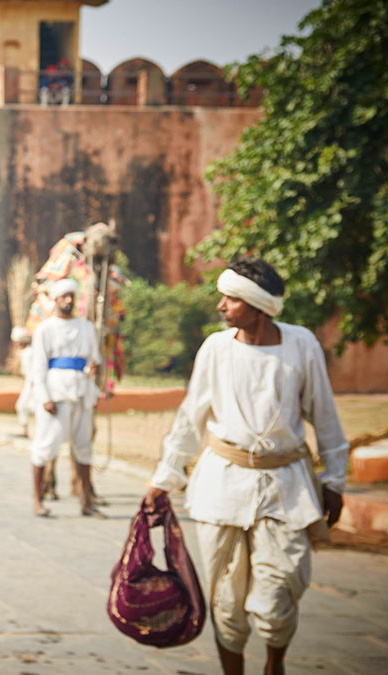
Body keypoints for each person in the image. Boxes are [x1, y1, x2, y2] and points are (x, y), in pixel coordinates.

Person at [144, 257, 346, 675]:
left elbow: (324, 416)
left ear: (258, 306)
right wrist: (164, 479)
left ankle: (275, 665)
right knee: (226, 602)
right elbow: (190, 418)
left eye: (231, 299)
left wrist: (335, 481)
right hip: (222, 486)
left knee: (278, 596)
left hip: (285, 486)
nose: (221, 306)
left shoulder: (301, 344)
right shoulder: (216, 349)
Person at [27, 278, 103, 518]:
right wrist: (44, 397)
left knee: (83, 448)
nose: (68, 300)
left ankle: (86, 501)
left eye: (71, 296)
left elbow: (95, 358)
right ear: (56, 300)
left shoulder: (87, 327)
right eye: (63, 297)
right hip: (56, 395)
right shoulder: (45, 329)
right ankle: (38, 500)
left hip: (81, 392)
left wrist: (93, 368)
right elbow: (38, 367)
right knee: (45, 447)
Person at [11, 326, 34, 438]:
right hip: (29, 383)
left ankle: (27, 431)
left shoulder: (29, 353)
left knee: (23, 405)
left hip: (33, 384)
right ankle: (25, 430)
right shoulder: (25, 352)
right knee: (22, 406)